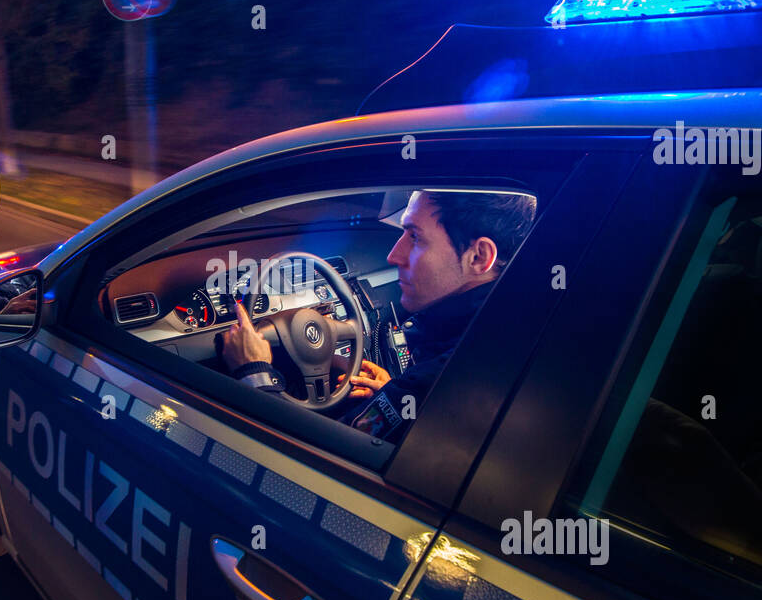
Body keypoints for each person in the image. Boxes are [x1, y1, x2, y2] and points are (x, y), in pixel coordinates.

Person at [220, 190, 535, 443]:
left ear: (479, 256)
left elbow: (314, 465)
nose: (393, 255)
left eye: (414, 237)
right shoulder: (514, 328)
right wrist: (392, 396)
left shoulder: (438, 379)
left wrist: (255, 372)